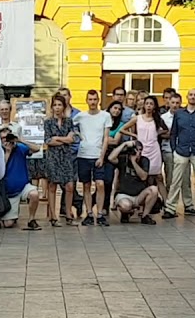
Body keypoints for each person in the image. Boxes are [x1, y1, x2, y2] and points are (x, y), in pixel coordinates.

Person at [164, 89, 195, 219]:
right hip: (181, 151)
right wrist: (174, 149)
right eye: (191, 95)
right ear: (187, 97)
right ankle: (170, 208)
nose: (193, 97)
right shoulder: (179, 114)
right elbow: (174, 133)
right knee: (175, 181)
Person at [74, 90, 113, 226]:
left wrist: (102, 156)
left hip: (98, 154)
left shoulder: (105, 116)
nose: (92, 102)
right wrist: (78, 135)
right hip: (83, 154)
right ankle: (89, 213)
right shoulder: (81, 116)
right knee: (86, 185)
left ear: (98, 100)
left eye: (95, 99)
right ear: (86, 100)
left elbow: (106, 137)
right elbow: (70, 126)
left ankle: (100, 213)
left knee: (100, 184)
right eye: (90, 99)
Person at [43, 93, 77, 226]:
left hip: (66, 156)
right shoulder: (48, 122)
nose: (57, 107)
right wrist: (64, 139)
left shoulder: (69, 121)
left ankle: (68, 214)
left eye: (59, 105)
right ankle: (53, 216)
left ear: (64, 107)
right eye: (55, 105)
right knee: (52, 185)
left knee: (69, 185)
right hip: (53, 157)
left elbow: (71, 139)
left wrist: (57, 138)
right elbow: (48, 140)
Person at [107, 138, 159, 224]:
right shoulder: (123, 159)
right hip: (124, 195)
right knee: (126, 206)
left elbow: (143, 177)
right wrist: (124, 144)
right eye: (136, 150)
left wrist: (134, 162)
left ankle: (145, 216)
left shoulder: (144, 160)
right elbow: (110, 158)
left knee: (154, 189)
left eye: (140, 150)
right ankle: (125, 213)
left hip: (139, 195)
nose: (138, 153)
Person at [0, 128, 44, 229]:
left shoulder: (20, 148)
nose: (6, 140)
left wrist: (21, 140)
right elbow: (1, 170)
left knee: (34, 194)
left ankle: (31, 219)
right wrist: (8, 153)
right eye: (3, 138)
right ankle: (13, 215)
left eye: (8, 137)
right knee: (8, 224)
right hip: (9, 192)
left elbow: (37, 149)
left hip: (23, 186)